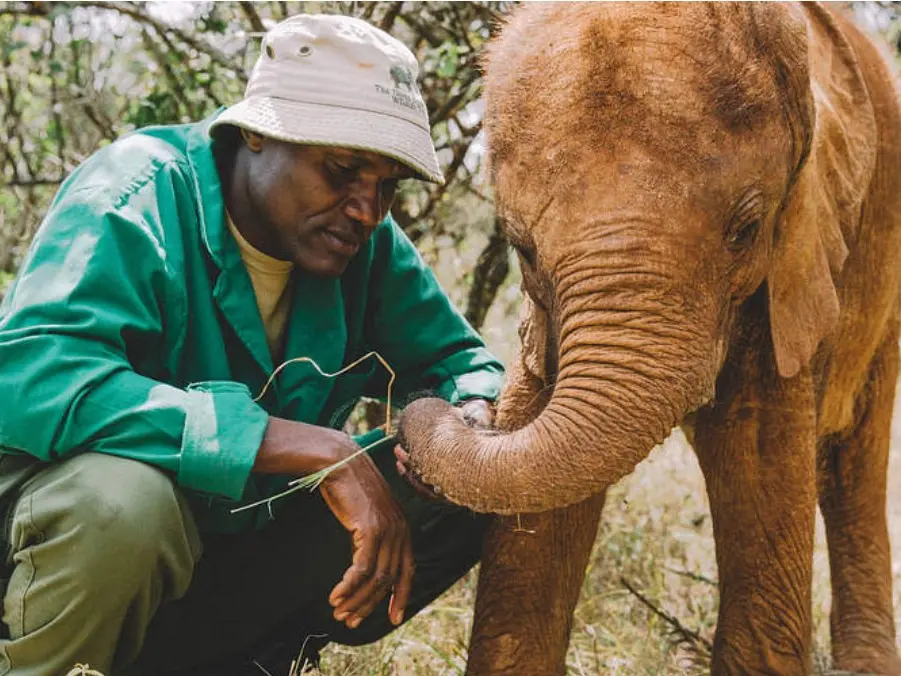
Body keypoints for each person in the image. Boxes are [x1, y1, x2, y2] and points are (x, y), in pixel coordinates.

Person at [0, 13, 503, 675]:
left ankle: (248, 659)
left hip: (214, 568)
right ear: (258, 134)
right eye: (343, 169)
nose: (367, 209)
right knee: (124, 502)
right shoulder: (134, 193)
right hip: (52, 556)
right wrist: (304, 446)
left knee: (486, 467)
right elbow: (31, 377)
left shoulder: (363, 245)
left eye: (387, 185)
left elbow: (461, 364)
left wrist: (464, 418)